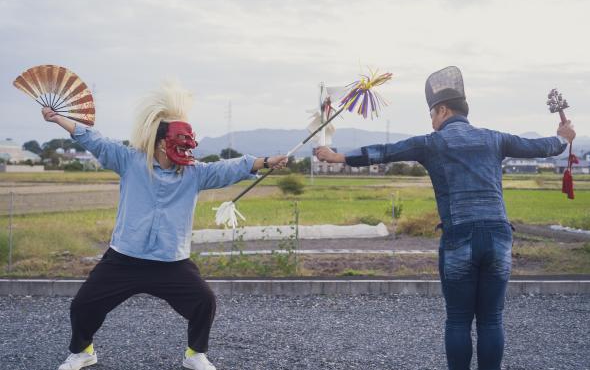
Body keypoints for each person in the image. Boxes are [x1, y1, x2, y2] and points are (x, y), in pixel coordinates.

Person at [315, 66, 576, 370]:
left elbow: (385, 152)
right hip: (498, 236)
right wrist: (562, 137)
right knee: (491, 320)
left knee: (459, 320)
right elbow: (542, 147)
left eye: (431, 114)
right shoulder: (495, 138)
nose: (431, 121)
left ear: (441, 110)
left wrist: (338, 157)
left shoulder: (431, 143)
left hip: (460, 237)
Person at [47, 82, 288, 370]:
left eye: (188, 145)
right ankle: (83, 351)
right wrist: (59, 118)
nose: (186, 150)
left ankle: (195, 354)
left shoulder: (194, 173)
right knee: (83, 305)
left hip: (171, 262)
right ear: (161, 142)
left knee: (204, 302)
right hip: (124, 258)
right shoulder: (130, 161)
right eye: (180, 144)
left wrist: (264, 162)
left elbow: (228, 168)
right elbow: (95, 141)